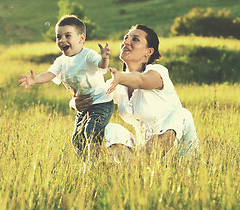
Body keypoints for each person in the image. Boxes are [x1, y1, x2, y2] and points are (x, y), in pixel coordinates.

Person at [72, 24, 199, 160]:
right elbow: (90, 96)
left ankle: (141, 165)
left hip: (180, 152)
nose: (126, 42)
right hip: (145, 154)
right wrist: (74, 103)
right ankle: (134, 169)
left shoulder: (158, 72)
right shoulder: (117, 83)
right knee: (111, 129)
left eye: (135, 39)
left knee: (182, 114)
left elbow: (140, 80)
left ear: (149, 51)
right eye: (126, 38)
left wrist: (120, 77)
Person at [19, 15, 114, 161]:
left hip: (100, 102)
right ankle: (83, 163)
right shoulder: (60, 61)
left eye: (67, 36)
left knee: (91, 130)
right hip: (83, 106)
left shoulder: (88, 55)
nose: (62, 40)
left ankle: (95, 163)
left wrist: (105, 58)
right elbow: (50, 74)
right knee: (76, 139)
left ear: (81, 39)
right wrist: (36, 79)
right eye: (58, 37)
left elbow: (102, 66)